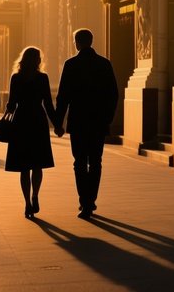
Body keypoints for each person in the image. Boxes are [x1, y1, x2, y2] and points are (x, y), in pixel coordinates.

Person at [54, 28, 119, 219]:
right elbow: (113, 94)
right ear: (91, 41)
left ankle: (84, 202)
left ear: (77, 42)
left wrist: (59, 122)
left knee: (80, 162)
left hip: (79, 123)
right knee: (96, 162)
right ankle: (91, 200)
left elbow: (63, 96)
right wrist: (107, 118)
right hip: (98, 123)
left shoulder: (71, 64)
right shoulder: (104, 64)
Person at [5, 46, 58, 219]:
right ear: (37, 60)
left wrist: (7, 118)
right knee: (37, 163)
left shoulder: (16, 78)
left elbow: (11, 103)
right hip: (37, 121)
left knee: (23, 166)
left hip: (21, 121)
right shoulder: (43, 78)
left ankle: (27, 202)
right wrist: (57, 124)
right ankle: (36, 195)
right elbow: (48, 104)